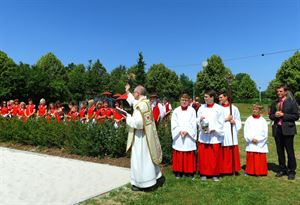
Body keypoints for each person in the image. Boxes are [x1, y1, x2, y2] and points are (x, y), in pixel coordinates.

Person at [125, 84, 165, 192]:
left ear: (138, 93)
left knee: (141, 160)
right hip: (147, 136)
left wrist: (127, 118)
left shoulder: (140, 107)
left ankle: (143, 183)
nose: (133, 94)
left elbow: (138, 124)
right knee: (148, 158)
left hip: (140, 137)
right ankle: (154, 178)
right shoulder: (144, 104)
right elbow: (133, 102)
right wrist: (127, 92)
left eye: (134, 92)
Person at [269, 84, 299, 180]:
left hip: (288, 130)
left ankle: (291, 171)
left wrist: (283, 115)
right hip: (277, 129)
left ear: (285, 92)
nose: (279, 93)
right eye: (277, 91)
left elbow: (296, 116)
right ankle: (282, 169)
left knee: (289, 151)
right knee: (280, 151)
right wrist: (275, 116)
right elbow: (270, 116)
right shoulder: (274, 102)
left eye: (281, 91)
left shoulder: (292, 102)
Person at [197, 89, 225, 181]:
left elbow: (221, 122)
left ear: (212, 97)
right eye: (204, 97)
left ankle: (215, 174)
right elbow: (197, 120)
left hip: (214, 136)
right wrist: (200, 120)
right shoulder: (201, 108)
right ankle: (203, 173)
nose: (204, 99)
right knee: (204, 156)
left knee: (214, 156)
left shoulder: (219, 108)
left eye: (206, 97)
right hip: (204, 135)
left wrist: (214, 129)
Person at [171, 94, 197, 179]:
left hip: (188, 135)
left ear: (189, 101)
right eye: (182, 100)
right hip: (178, 135)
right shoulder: (176, 111)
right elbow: (174, 123)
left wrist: (187, 131)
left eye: (186, 100)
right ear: (180, 100)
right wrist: (179, 131)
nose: (184, 102)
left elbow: (193, 122)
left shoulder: (192, 110)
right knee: (179, 152)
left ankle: (189, 172)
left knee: (188, 152)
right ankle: (178, 171)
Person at [218, 91, 242, 175]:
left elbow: (238, 120)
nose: (219, 99)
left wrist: (233, 121)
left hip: (230, 131)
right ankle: (223, 169)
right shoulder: (218, 108)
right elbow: (216, 120)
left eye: (221, 97)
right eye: (219, 97)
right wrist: (226, 119)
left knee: (231, 149)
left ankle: (233, 168)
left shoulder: (234, 108)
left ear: (226, 97)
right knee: (222, 150)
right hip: (221, 131)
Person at [244, 104, 268, 176]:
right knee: (251, 157)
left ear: (259, 111)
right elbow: (246, 131)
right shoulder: (249, 119)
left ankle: (260, 171)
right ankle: (249, 171)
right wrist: (251, 139)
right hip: (251, 142)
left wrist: (258, 139)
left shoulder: (263, 120)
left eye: (256, 109)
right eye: (253, 109)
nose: (254, 111)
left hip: (260, 142)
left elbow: (265, 133)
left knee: (259, 157)